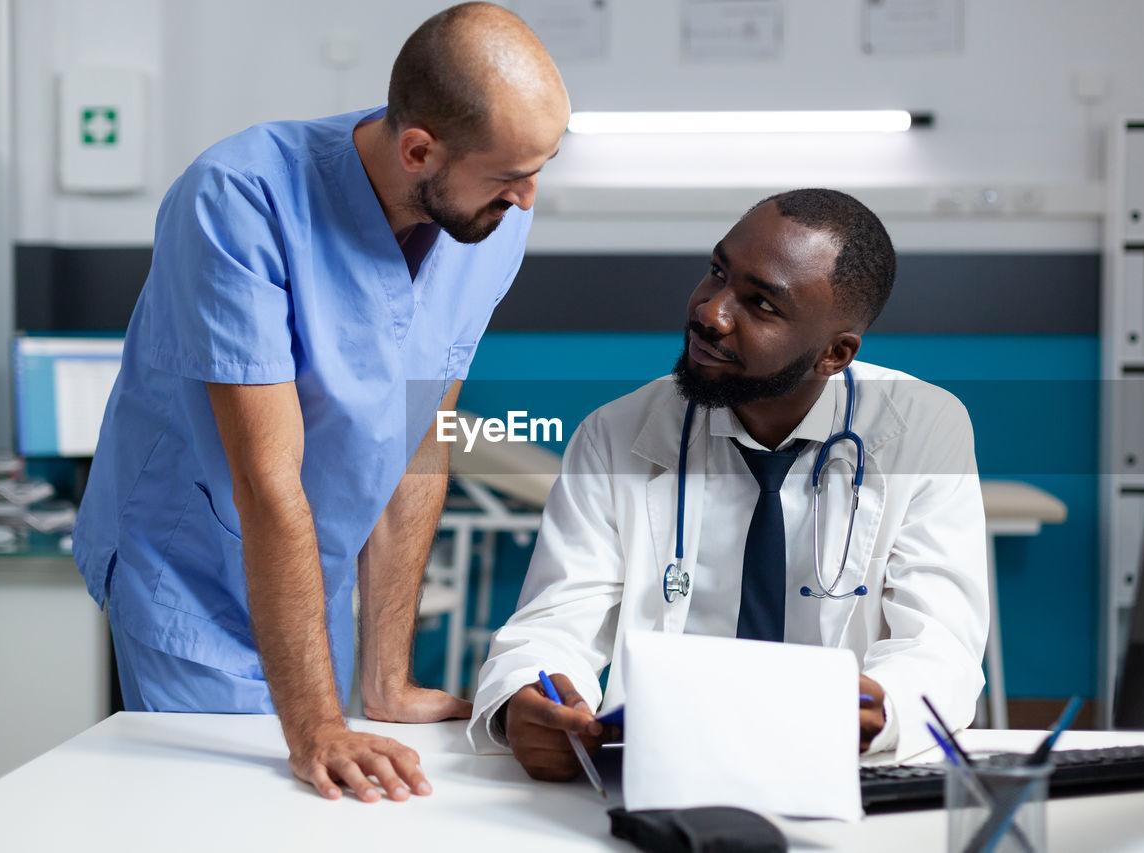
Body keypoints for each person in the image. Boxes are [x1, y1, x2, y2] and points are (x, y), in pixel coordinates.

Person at [72, 3, 570, 803]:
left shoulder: (491, 217)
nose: (528, 197)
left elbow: (420, 437)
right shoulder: (238, 199)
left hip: (312, 576)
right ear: (419, 151)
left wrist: (387, 679)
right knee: (236, 811)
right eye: (510, 175)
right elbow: (267, 477)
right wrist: (313, 726)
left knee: (342, 800)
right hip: (198, 572)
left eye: (542, 166)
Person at [468, 189, 989, 775]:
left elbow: (941, 643)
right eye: (717, 271)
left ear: (835, 354)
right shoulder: (614, 434)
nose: (710, 312)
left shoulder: (921, 429)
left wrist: (883, 708)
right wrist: (527, 698)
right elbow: (555, 621)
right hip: (660, 765)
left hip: (835, 767)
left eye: (761, 304)